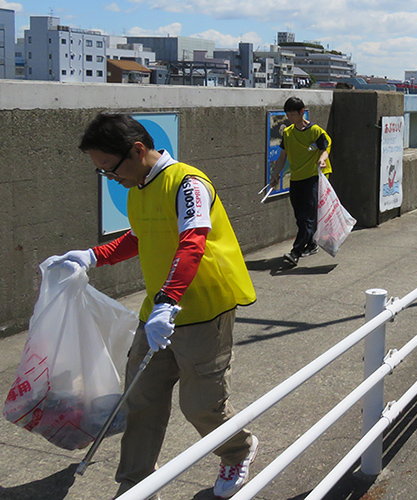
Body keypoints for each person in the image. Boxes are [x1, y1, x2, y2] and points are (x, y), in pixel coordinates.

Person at [50, 113, 258, 499]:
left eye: (109, 169)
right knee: (140, 400)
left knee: (201, 405)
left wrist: (167, 300)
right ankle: (136, 484)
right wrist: (92, 257)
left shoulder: (188, 183)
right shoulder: (138, 189)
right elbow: (138, 238)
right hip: (159, 311)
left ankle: (237, 450)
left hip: (203, 310)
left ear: (137, 150)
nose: (110, 178)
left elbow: (192, 241)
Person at [269, 96, 333, 267]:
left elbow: (324, 149)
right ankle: (311, 244)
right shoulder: (288, 133)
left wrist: (322, 159)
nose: (290, 117)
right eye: (287, 114)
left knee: (308, 218)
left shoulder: (315, 131)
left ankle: (295, 252)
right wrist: (275, 175)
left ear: (302, 112)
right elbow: (283, 156)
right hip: (296, 179)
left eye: (293, 114)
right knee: (300, 217)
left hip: (312, 178)